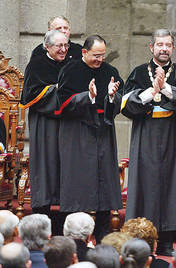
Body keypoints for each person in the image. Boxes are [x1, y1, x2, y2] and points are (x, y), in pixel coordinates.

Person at [122, 29, 176, 256]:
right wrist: (151, 91)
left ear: (173, 48)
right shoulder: (138, 73)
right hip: (145, 134)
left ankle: (165, 242)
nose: (164, 48)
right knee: (145, 185)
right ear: (151, 47)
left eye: (168, 45)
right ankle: (141, 240)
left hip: (172, 135)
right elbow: (125, 104)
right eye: (160, 44)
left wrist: (166, 89)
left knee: (170, 186)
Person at [56, 35, 123, 242]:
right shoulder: (71, 70)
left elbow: (119, 105)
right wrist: (89, 96)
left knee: (104, 182)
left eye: (102, 55)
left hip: (103, 133)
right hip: (77, 134)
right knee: (78, 183)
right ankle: (75, 236)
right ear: (84, 52)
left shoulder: (110, 72)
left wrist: (112, 96)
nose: (99, 60)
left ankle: (103, 233)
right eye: (95, 55)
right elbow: (62, 103)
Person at [19, 30, 70, 220]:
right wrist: (55, 90)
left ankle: (67, 211)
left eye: (66, 45)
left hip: (68, 123)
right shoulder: (36, 65)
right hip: (45, 123)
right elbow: (31, 95)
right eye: (59, 46)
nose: (63, 50)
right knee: (45, 163)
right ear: (47, 46)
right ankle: (43, 211)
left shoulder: (72, 64)